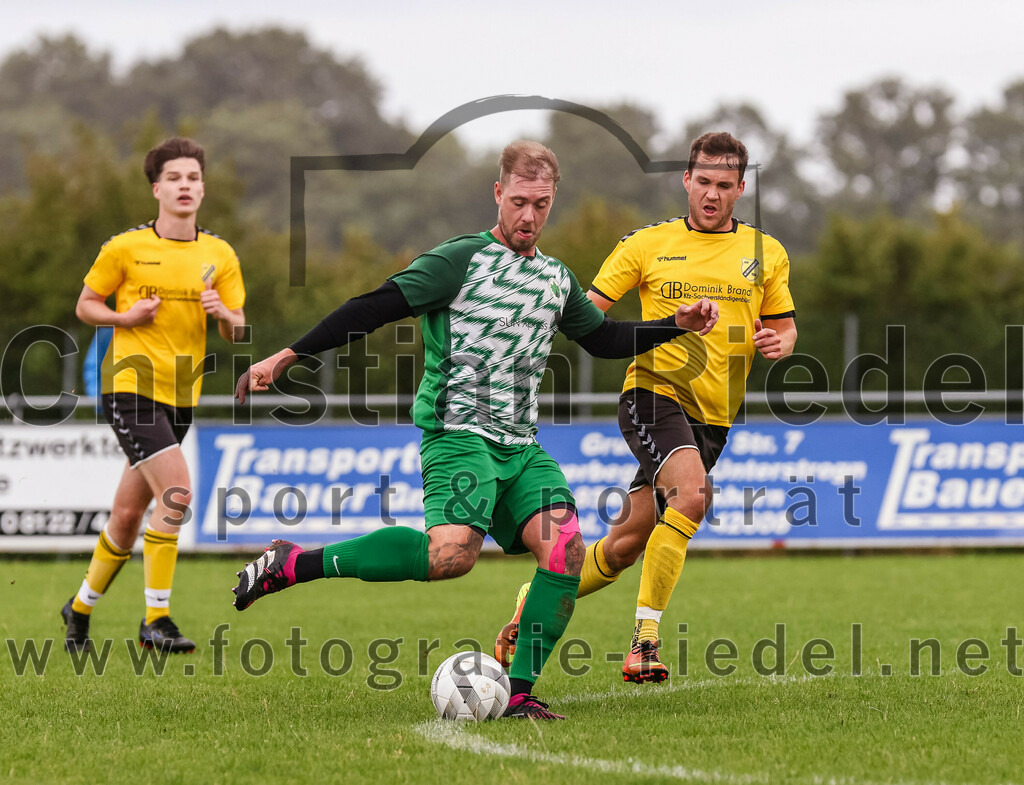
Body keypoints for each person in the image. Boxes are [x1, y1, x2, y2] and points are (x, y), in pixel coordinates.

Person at [231, 141, 718, 719]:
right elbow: (373, 307)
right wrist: (287, 356)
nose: (528, 216)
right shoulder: (459, 260)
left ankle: (518, 694)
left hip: (521, 448)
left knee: (564, 550)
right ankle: (293, 563)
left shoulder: (555, 279)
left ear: (552, 201)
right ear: (498, 194)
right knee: (452, 555)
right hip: (458, 432)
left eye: (541, 204)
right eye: (518, 202)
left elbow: (604, 340)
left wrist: (673, 325)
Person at [495, 132, 797, 684]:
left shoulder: (766, 253)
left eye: (724, 185)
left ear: (741, 189)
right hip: (653, 393)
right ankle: (645, 643)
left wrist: (781, 342)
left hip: (714, 417)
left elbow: (783, 324)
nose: (711, 194)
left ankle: (528, 599)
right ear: (686, 180)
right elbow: (584, 313)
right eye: (702, 181)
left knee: (625, 545)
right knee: (694, 494)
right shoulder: (646, 244)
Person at [61, 137, 247, 655]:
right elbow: (86, 305)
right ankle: (156, 618)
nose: (185, 186)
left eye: (193, 177)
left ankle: (77, 609)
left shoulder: (219, 254)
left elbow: (239, 330)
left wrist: (224, 316)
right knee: (177, 493)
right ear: (156, 188)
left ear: (203, 188)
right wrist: (124, 317)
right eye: (175, 178)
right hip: (128, 385)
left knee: (126, 516)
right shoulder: (125, 248)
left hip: (181, 396)